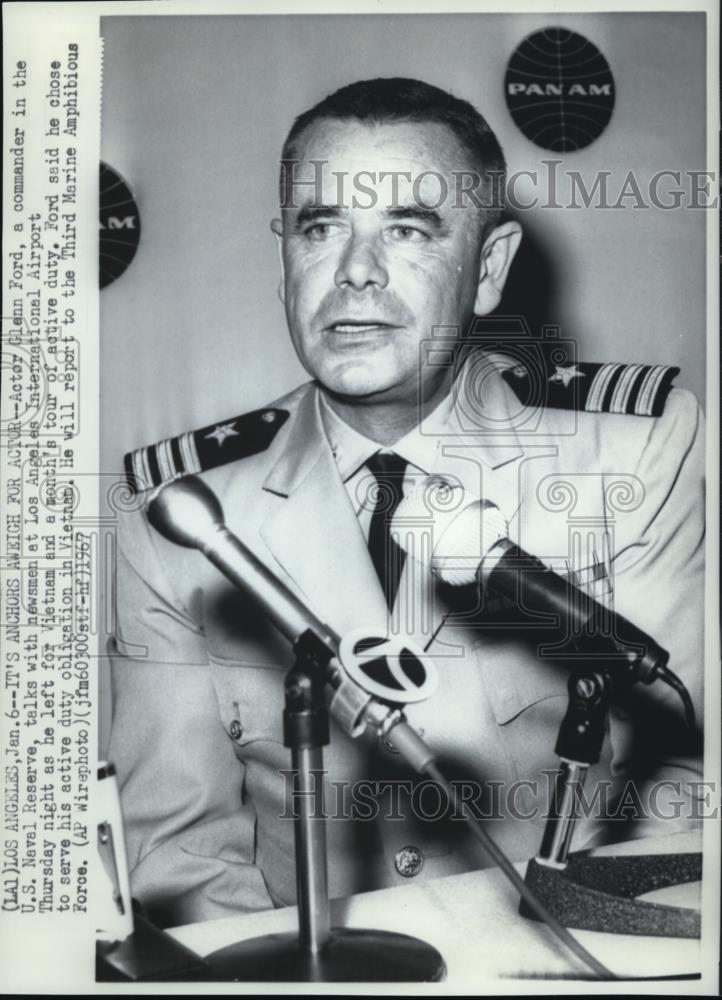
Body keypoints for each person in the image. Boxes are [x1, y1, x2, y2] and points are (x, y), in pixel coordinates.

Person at [108, 78, 705, 929]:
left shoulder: (637, 448)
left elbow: (685, 779)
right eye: (321, 229)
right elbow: (176, 854)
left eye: (407, 229)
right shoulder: (179, 509)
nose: (354, 272)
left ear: (488, 269)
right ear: (285, 262)